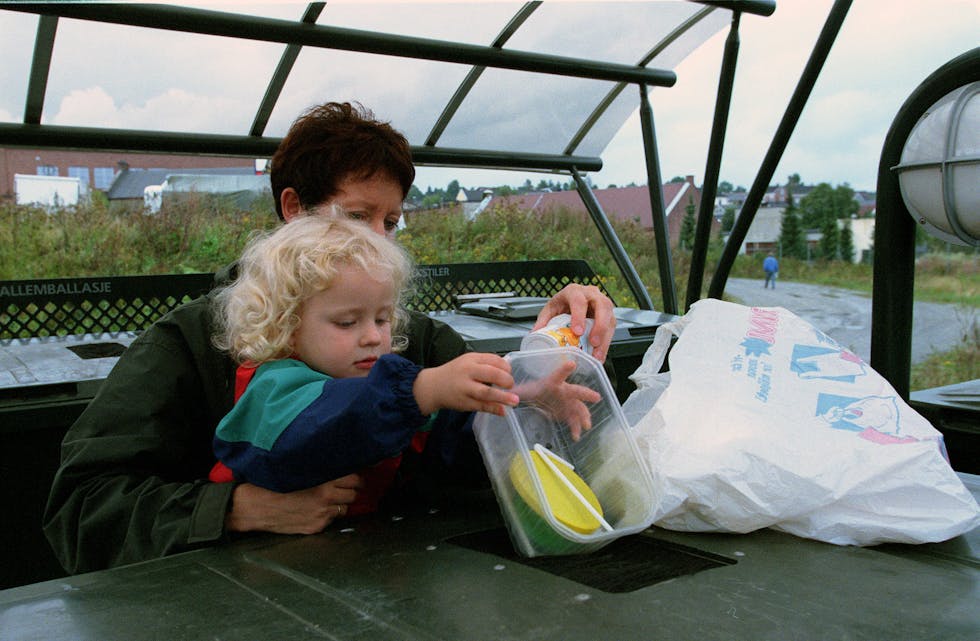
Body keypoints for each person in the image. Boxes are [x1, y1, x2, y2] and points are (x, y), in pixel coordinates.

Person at [43, 101, 618, 574]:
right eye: (356, 217)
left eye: (391, 223)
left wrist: (545, 355)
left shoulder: (403, 336)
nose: (383, 242)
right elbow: (82, 506)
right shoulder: (190, 343)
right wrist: (233, 508)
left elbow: (488, 441)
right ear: (294, 209)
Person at [208, 213, 519, 516]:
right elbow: (327, 425)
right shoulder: (274, 391)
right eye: (347, 322)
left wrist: (520, 401)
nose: (372, 336)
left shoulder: (385, 392)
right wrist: (420, 391)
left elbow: (450, 443)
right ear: (286, 327)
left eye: (382, 319)